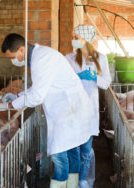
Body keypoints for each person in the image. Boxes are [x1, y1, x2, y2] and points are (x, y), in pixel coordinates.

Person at [0, 33, 93, 188]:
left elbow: (37, 96)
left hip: (68, 111)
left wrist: (9, 106)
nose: (13, 61)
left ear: (21, 50)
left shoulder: (41, 60)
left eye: (12, 57)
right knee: (71, 152)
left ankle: (60, 185)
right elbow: (38, 88)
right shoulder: (41, 56)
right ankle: (72, 185)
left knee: (60, 157)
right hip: (70, 108)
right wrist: (17, 96)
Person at [66, 24, 111, 188]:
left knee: (86, 147)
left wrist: (95, 78)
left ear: (86, 39)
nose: (73, 40)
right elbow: (64, 81)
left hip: (90, 109)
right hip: (72, 108)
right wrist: (77, 76)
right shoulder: (69, 58)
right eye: (73, 37)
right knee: (72, 147)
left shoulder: (101, 58)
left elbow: (106, 84)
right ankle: (73, 179)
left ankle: (83, 180)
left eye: (76, 37)